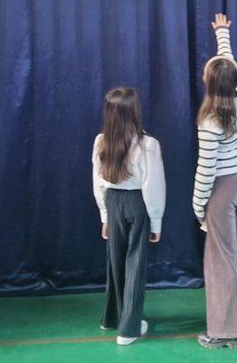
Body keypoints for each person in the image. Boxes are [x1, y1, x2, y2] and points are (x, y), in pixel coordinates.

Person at [193, 13, 237, 349]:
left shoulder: (209, 121)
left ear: (209, 83)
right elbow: (229, 63)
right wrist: (223, 33)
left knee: (220, 262)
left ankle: (226, 332)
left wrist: (198, 207)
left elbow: (206, 169)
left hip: (222, 190)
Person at [92, 87, 166, 346]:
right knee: (134, 263)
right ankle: (129, 328)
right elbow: (153, 187)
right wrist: (156, 221)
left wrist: (105, 216)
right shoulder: (147, 145)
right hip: (137, 203)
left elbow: (98, 182)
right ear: (135, 111)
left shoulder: (101, 141)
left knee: (115, 260)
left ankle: (112, 317)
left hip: (113, 201)